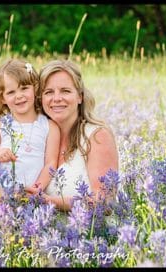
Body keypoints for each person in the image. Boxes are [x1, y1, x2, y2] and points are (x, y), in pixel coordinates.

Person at [27, 60, 119, 211]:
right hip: (42, 233)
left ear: (80, 97)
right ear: (40, 99)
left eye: (65, 91)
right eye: (48, 92)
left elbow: (105, 202)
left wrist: (49, 202)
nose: (56, 98)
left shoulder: (97, 136)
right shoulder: (36, 138)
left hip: (90, 233)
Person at [0, 59, 60, 203]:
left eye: (24, 88)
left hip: (31, 192)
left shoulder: (49, 126)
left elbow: (50, 163)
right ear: (2, 98)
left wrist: (37, 189)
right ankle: (1, 200)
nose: (19, 96)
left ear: (35, 88)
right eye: (11, 92)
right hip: (3, 188)